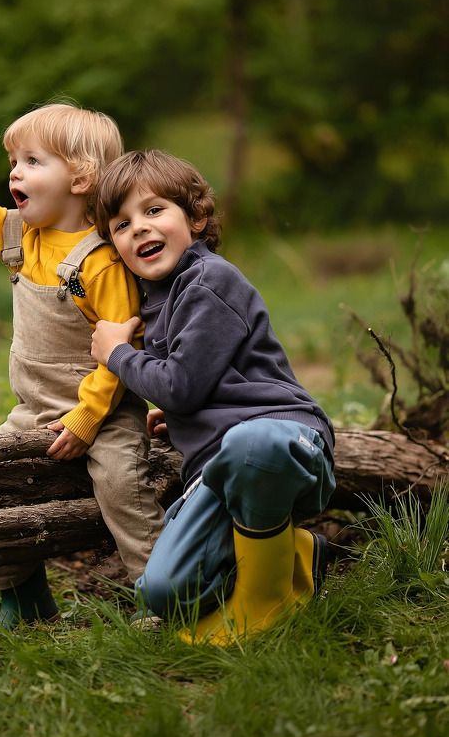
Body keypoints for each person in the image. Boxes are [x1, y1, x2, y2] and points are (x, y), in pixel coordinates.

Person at [0, 80, 163, 628]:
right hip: (34, 409)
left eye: (32, 161)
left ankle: (162, 590)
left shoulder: (101, 262)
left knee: (121, 485)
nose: (14, 172)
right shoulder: (20, 236)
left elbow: (121, 347)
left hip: (105, 412)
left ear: (81, 177)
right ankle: (23, 596)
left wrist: (87, 420)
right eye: (13, 160)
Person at [90, 149, 336, 646]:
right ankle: (297, 554)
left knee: (250, 444)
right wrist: (185, 417)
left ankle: (265, 603)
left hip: (284, 440)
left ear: (198, 218)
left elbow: (181, 385)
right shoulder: (158, 299)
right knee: (163, 591)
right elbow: (193, 385)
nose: (138, 228)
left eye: (154, 210)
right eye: (121, 224)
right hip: (219, 467)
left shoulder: (210, 279)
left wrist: (116, 353)